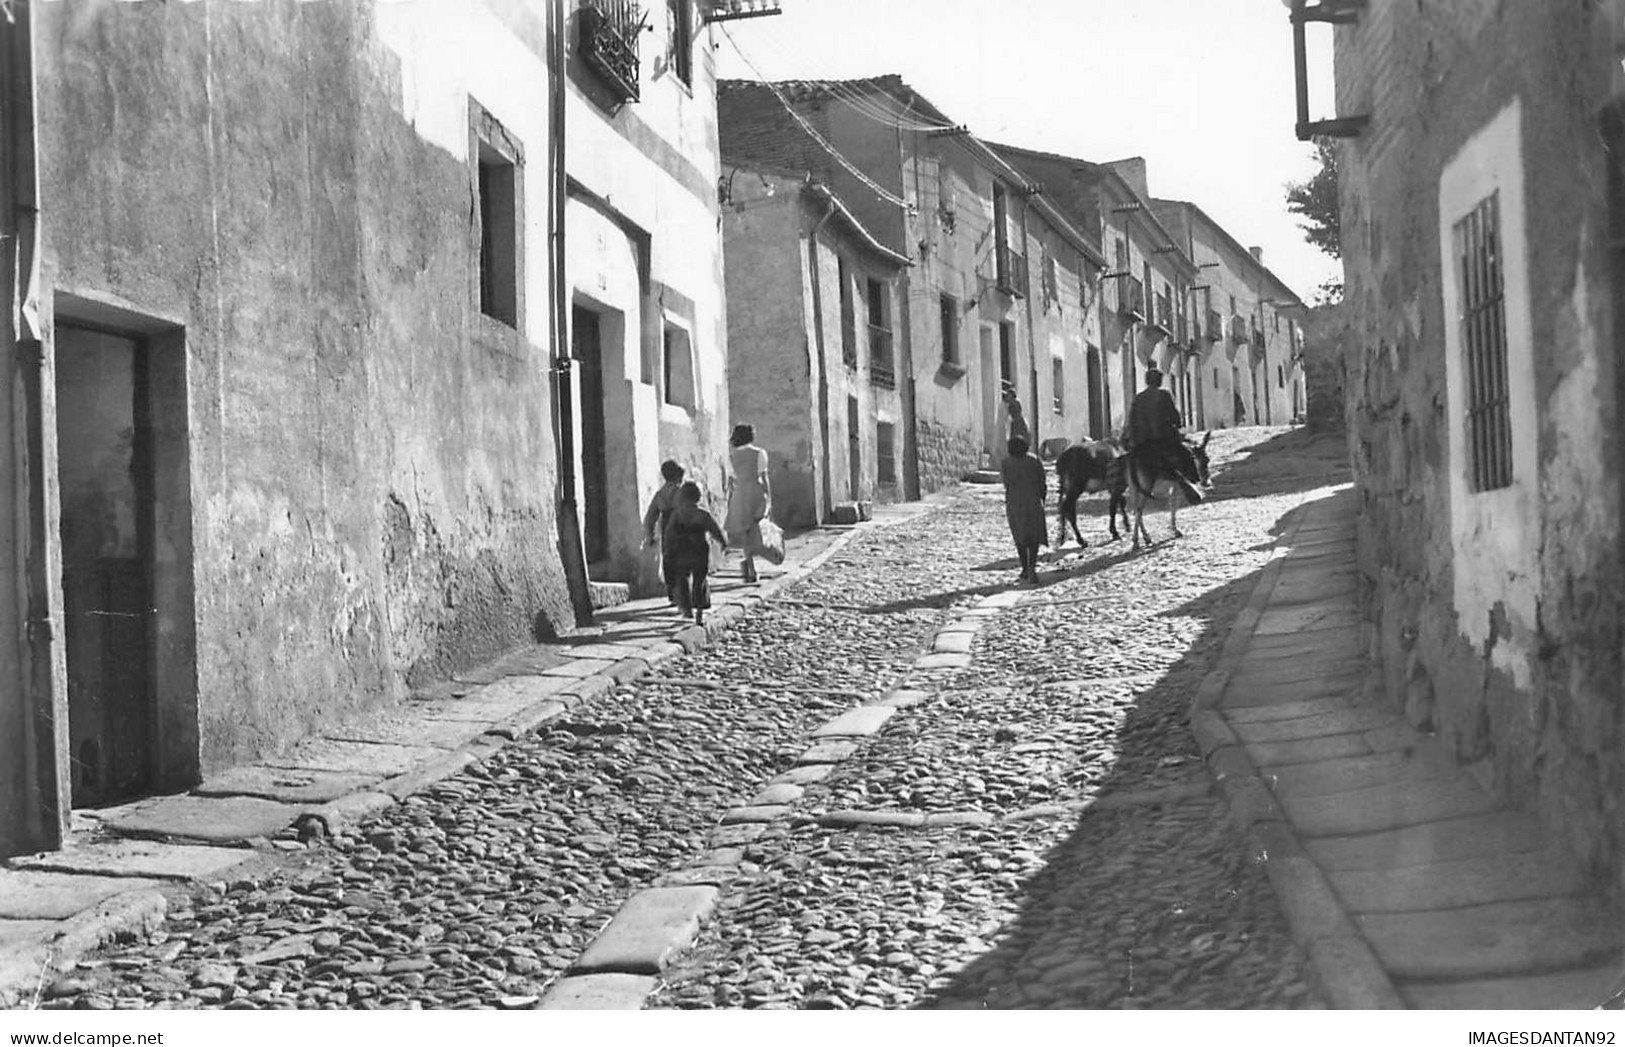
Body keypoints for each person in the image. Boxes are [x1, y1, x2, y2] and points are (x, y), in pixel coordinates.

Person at [1126, 365, 1204, 505]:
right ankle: (1195, 480)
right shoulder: (1164, 395)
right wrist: (1177, 425)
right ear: (1159, 381)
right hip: (1164, 440)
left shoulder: (1138, 398)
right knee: (1187, 454)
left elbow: (1132, 420)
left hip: (1142, 443)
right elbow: (1174, 416)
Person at [662, 481, 726, 625]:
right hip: (700, 551)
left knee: (682, 580)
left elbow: (669, 533)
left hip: (682, 552)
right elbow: (715, 530)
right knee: (699, 581)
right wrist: (723, 542)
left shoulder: (677, 515)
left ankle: (686, 608)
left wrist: (667, 549)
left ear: (682, 497)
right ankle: (699, 611)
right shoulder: (703, 514)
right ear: (698, 497)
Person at [724, 423, 771, 584]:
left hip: (740, 494)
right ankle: (755, 563)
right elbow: (763, 477)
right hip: (755, 491)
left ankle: (750, 567)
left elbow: (731, 480)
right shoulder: (759, 453)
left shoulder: (732, 456)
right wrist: (768, 498)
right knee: (756, 528)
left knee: (744, 533)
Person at [1000, 434, 1047, 584]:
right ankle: (1032, 567)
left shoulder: (1006, 463)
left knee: (1019, 536)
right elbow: (1042, 482)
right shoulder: (1034, 460)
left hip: (1014, 503)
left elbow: (1006, 482)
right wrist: (1042, 499)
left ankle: (1025, 568)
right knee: (1034, 537)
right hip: (1033, 502)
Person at [642, 460, 685, 604]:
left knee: (668, 560)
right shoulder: (682, 492)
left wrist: (650, 534)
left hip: (667, 528)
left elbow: (650, 517)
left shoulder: (660, 494)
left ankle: (672, 594)